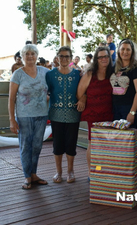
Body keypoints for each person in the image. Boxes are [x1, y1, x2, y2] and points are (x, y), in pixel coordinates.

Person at [8, 44, 50, 190]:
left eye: (33, 53)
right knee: (26, 146)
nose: (30, 56)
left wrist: (49, 97)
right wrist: (12, 120)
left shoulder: (45, 72)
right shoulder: (18, 74)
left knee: (37, 146)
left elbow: (54, 88)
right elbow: (11, 98)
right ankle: (27, 176)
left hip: (42, 115)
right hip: (24, 116)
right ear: (23, 56)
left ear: (37, 56)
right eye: (27, 54)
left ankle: (34, 174)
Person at [46, 46, 81, 183]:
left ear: (71, 58)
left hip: (73, 114)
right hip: (56, 114)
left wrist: (82, 98)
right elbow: (45, 91)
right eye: (61, 56)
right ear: (57, 58)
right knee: (57, 144)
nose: (64, 59)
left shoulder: (78, 74)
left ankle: (70, 171)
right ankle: (58, 172)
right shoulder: (50, 74)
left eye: (67, 56)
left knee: (71, 144)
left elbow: (83, 91)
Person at [77, 46, 114, 177]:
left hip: (109, 113)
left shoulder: (113, 73)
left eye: (106, 56)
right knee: (93, 143)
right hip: (94, 114)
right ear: (96, 59)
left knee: (106, 145)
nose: (104, 59)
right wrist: (84, 97)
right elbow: (79, 93)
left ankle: (102, 170)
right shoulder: (89, 74)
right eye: (101, 57)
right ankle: (92, 172)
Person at [110, 39, 137, 128]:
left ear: (132, 52)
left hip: (129, 108)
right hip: (115, 109)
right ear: (119, 51)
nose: (125, 52)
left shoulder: (136, 68)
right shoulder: (114, 67)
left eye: (128, 49)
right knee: (116, 140)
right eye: (123, 49)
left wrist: (132, 112)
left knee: (127, 140)